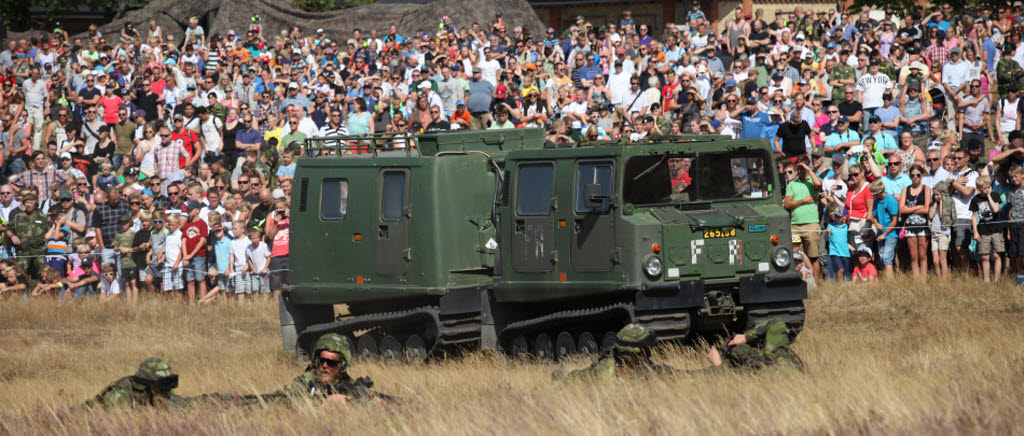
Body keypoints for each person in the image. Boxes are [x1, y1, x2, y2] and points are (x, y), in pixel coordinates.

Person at [267, 333, 392, 403]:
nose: (324, 365)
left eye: (331, 362)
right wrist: (327, 402)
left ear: (342, 366)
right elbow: (296, 402)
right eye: (322, 360)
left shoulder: (347, 383)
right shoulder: (305, 380)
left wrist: (371, 400)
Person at [562, 324, 676, 380]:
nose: (648, 355)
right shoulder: (606, 370)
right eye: (644, 352)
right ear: (630, 354)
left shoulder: (638, 366)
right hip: (570, 381)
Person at [84, 358, 186, 409]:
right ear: (147, 385)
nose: (166, 390)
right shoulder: (121, 396)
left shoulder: (163, 392)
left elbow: (177, 402)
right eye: (162, 385)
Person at [705, 319, 803, 370]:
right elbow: (776, 323)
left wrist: (718, 364)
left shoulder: (753, 370)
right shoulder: (776, 352)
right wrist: (746, 337)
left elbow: (730, 378)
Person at [782, 160, 822, 277]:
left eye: (801, 168)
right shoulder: (792, 184)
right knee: (793, 255)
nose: (800, 170)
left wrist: (808, 169)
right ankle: (797, 282)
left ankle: (815, 284)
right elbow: (788, 204)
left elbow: (819, 185)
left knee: (813, 257)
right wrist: (804, 201)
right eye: (798, 168)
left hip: (811, 224)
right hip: (795, 225)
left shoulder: (812, 182)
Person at [898, 165, 931, 279]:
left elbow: (927, 209)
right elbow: (901, 209)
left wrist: (909, 209)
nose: (915, 178)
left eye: (918, 175)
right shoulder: (905, 190)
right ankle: (916, 279)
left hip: (923, 226)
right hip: (909, 226)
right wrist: (917, 208)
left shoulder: (926, 189)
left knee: (922, 255)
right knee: (913, 256)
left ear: (922, 175)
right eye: (913, 175)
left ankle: (923, 279)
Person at [971, 175, 1004, 282]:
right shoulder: (976, 199)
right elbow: (974, 216)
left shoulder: (995, 195)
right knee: (985, 256)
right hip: (984, 230)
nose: (986, 189)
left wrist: (989, 195)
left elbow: (995, 209)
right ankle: (986, 279)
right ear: (979, 188)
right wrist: (975, 232)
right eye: (984, 188)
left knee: (996, 254)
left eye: (988, 187)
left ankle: (997, 278)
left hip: (996, 229)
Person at [869, 179, 899, 277]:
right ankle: (887, 277)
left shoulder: (891, 201)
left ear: (878, 192)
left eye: (872, 193)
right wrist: (877, 224)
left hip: (890, 234)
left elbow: (895, 220)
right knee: (882, 257)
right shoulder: (876, 201)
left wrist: (884, 234)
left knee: (886, 257)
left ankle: (890, 281)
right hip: (880, 234)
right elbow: (873, 216)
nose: (871, 195)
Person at [825, 206, 851, 281]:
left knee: (846, 272)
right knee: (840, 269)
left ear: (844, 217)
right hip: (834, 252)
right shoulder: (830, 226)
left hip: (845, 253)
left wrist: (851, 248)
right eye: (836, 215)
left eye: (839, 216)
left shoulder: (846, 227)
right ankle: (841, 286)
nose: (837, 217)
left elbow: (846, 240)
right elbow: (826, 238)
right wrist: (827, 232)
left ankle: (846, 284)